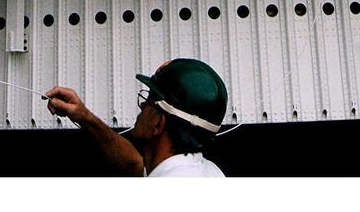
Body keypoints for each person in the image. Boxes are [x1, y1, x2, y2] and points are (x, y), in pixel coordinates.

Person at [45, 57, 228, 177]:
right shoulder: (208, 172)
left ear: (158, 122)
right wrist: (84, 117)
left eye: (148, 101)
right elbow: (135, 164)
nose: (141, 106)